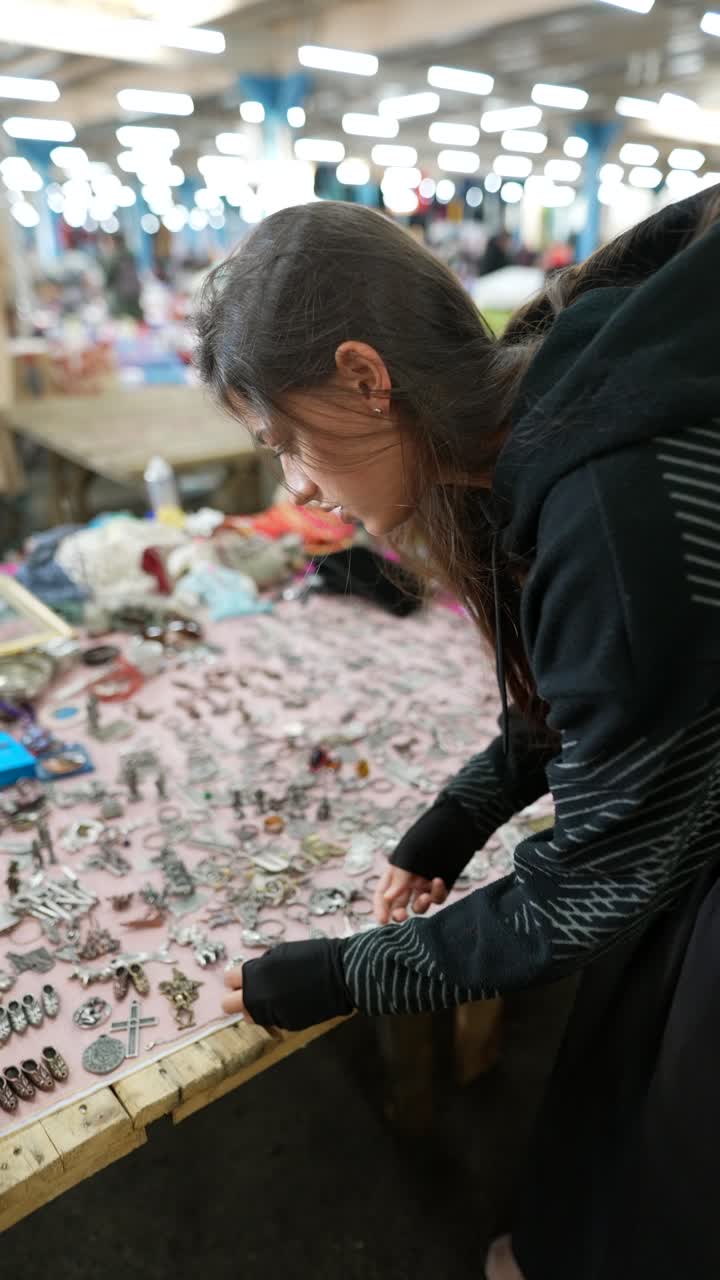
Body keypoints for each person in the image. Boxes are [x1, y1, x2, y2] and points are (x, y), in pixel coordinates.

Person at [195, 189, 720, 1279]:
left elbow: (589, 888)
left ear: (362, 375)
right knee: (624, 1051)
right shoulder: (546, 400)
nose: (298, 485)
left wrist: (343, 974)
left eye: (285, 441)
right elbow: (576, 689)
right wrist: (456, 816)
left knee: (688, 1113)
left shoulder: (603, 499)